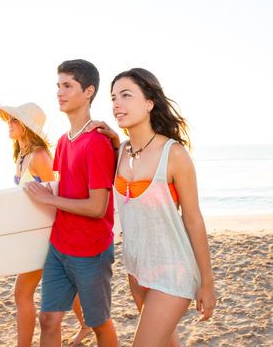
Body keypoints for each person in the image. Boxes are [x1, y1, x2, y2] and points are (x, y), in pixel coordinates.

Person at [89, 68, 216, 346]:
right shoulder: (120, 152)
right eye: (113, 97)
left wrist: (207, 282)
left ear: (149, 103)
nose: (116, 104)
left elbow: (193, 219)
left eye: (126, 95)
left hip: (173, 269)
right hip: (137, 270)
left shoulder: (175, 154)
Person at [23, 59, 118, 347]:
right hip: (59, 246)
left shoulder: (97, 142)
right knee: (48, 320)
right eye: (58, 86)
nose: (60, 93)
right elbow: (68, 188)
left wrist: (50, 199)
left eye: (68, 86)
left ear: (88, 91)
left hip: (90, 250)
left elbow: (96, 207)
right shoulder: (63, 142)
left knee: (98, 324)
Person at [0, 102, 92, 346]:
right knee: (69, 282)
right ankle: (87, 325)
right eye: (9, 120)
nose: (9, 124)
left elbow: (56, 195)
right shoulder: (22, 155)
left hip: (46, 234)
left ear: (26, 127)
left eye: (14, 121)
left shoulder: (39, 156)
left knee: (22, 293)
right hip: (33, 233)